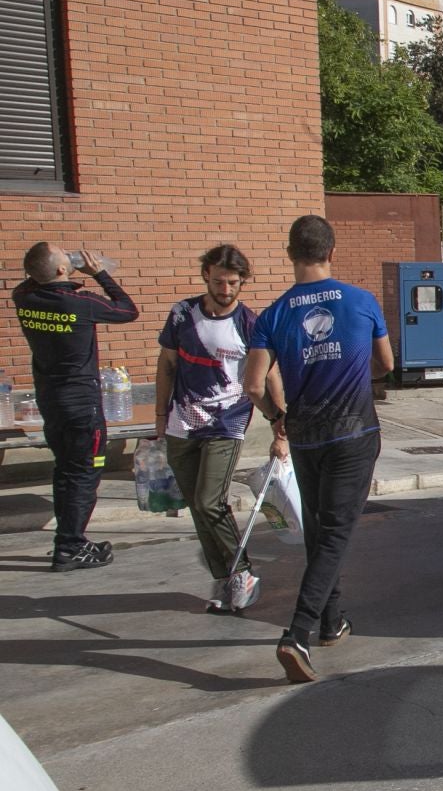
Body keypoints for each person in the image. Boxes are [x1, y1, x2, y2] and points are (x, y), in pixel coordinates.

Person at [242, 215, 393, 685]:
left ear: (291, 254)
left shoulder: (272, 314)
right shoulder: (361, 301)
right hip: (353, 432)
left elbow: (252, 384)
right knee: (335, 535)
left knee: (318, 531)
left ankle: (331, 622)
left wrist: (276, 416)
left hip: (305, 435)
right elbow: (385, 365)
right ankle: (298, 634)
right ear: (332, 251)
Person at [154, 244, 288, 613]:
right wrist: (160, 418)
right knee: (197, 507)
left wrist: (281, 426)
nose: (225, 290)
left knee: (208, 499)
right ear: (205, 278)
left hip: (227, 421)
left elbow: (271, 374)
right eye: (218, 282)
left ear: (243, 281)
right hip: (182, 420)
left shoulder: (250, 323)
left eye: (232, 283)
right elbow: (165, 366)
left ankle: (242, 571)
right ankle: (224, 576)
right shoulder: (182, 314)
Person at [11, 244, 140, 571]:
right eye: (64, 257)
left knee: (66, 471)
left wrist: (59, 269)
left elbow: (29, 279)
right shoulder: (79, 302)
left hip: (52, 403)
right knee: (83, 474)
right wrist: (97, 272)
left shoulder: (25, 298)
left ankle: (67, 540)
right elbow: (127, 310)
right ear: (59, 271)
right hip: (82, 407)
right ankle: (70, 546)